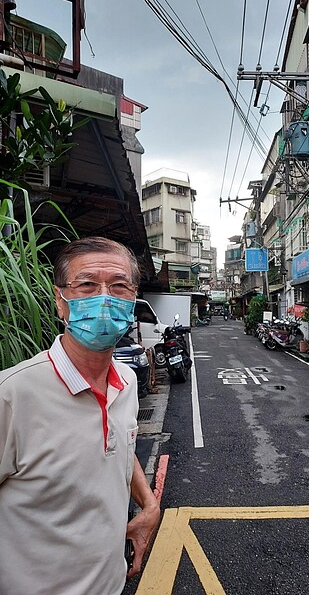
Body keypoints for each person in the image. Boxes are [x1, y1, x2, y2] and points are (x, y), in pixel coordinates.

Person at [0, 236, 160, 594]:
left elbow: (119, 442)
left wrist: (148, 505)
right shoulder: (12, 395)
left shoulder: (127, 382)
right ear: (61, 302)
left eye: (119, 286)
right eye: (87, 285)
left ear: (133, 300)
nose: (104, 298)